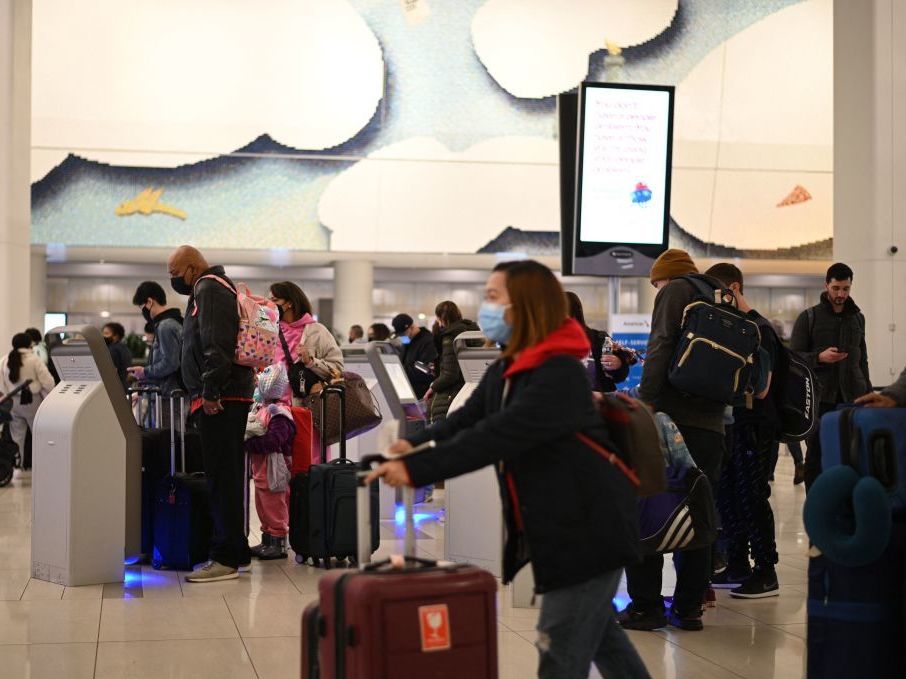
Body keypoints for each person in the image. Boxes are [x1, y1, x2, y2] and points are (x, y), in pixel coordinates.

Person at [367, 261, 648, 679]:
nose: (486, 306)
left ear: (526, 306)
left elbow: (496, 436)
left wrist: (417, 469)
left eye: (494, 296)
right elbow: (468, 419)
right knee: (603, 638)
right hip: (560, 525)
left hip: (591, 529)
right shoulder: (510, 366)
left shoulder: (558, 374)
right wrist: (416, 441)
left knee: (559, 647)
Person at [618, 249, 726, 632]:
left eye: (655, 283)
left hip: (668, 421)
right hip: (713, 423)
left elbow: (662, 344)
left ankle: (646, 606)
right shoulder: (720, 293)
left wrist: (643, 403)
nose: (656, 290)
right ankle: (689, 608)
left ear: (665, 277)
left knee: (645, 503)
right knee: (698, 511)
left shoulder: (675, 291)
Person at [168, 245, 255, 583]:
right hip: (225, 395)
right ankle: (236, 550)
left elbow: (215, 344)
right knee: (226, 474)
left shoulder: (208, 287)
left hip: (223, 398)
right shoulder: (213, 286)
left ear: (191, 268)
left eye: (175, 274)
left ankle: (225, 558)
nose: (174, 280)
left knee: (223, 477)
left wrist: (210, 392)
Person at [705, 263, 781, 599]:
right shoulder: (736, 327)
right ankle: (738, 562)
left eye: (719, 293)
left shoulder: (759, 329)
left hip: (757, 425)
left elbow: (762, 387)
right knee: (731, 495)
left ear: (735, 288)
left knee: (753, 496)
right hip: (735, 423)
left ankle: (767, 570)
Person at [790, 263, 871, 490]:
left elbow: (862, 360)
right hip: (819, 400)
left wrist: (869, 394)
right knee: (816, 458)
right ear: (826, 285)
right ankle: (817, 512)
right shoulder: (809, 317)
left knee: (852, 456)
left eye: (845, 289)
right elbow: (792, 359)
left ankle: (845, 511)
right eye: (836, 288)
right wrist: (819, 358)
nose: (841, 294)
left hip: (852, 400)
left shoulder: (857, 319)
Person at [269, 281, 343, 468]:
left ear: (289, 303)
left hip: (306, 411)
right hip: (275, 412)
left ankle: (308, 496)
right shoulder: (269, 331)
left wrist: (311, 362)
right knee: (278, 470)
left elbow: (337, 368)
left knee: (307, 464)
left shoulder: (316, 331)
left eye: (275, 299)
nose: (270, 303)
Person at [244, 363, 296, 560]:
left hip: (275, 467)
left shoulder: (279, 412)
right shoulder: (262, 408)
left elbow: (274, 441)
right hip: (261, 468)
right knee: (262, 503)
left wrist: (249, 443)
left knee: (275, 504)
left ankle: (278, 540)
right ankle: (267, 538)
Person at [0, 333, 55, 461]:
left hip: (13, 402)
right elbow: (48, 382)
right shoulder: (34, 359)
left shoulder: (6, 358)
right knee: (38, 435)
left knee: (17, 437)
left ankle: (16, 467)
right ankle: (40, 465)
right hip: (32, 400)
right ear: (29, 344)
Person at [424, 301, 480, 423]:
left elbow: (450, 374)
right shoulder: (471, 332)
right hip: (469, 392)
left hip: (451, 396)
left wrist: (433, 387)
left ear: (439, 318)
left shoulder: (450, 336)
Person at [565, 291, 631, 394]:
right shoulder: (544, 344)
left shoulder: (599, 338)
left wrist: (618, 364)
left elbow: (620, 374)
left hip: (596, 405)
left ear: (576, 314)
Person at [127, 281, 184, 395]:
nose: (142, 312)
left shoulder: (165, 326)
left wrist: (144, 372)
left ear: (149, 302)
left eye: (141, 307)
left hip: (170, 397)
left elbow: (170, 363)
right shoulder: (174, 322)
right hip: (171, 393)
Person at [391, 313, 438, 399]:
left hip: (424, 395)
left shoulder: (429, 342)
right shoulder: (408, 342)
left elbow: (427, 371)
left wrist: (402, 370)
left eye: (403, 334)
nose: (402, 337)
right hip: (410, 393)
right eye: (400, 335)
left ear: (411, 327)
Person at [102, 322, 133, 388]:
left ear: (116, 335)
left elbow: (112, 371)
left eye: (106, 333)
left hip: (116, 387)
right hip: (125, 385)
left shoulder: (112, 349)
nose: (103, 336)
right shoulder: (125, 348)